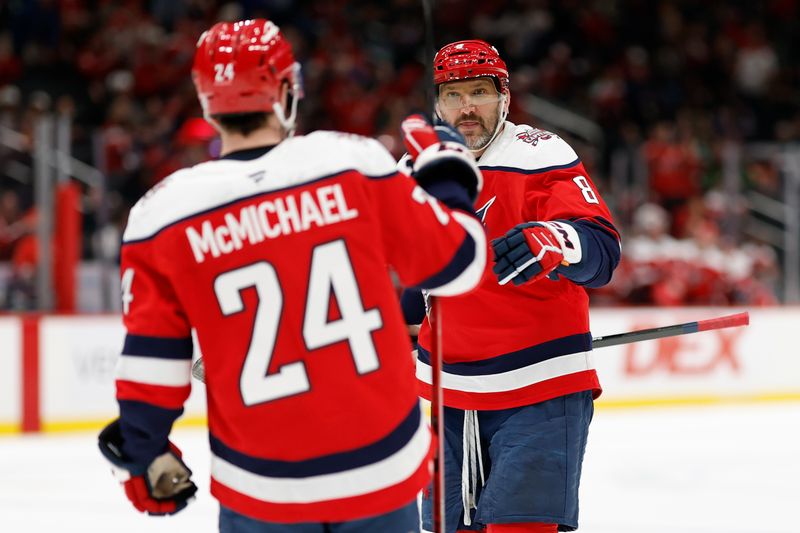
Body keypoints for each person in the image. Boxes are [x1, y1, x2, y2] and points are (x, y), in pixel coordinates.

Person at [97, 19, 489, 533]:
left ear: (206, 99)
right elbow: (457, 265)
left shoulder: (161, 214)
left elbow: (154, 367)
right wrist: (448, 176)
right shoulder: (353, 161)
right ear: (287, 88)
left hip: (261, 482)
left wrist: (142, 452)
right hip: (382, 466)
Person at [400, 40, 622, 533]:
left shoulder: (539, 153)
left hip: (539, 386)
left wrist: (558, 240)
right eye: (454, 95)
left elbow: (603, 254)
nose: (467, 107)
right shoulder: (414, 169)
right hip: (449, 394)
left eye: (479, 91)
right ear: (438, 102)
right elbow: (405, 285)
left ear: (504, 95)